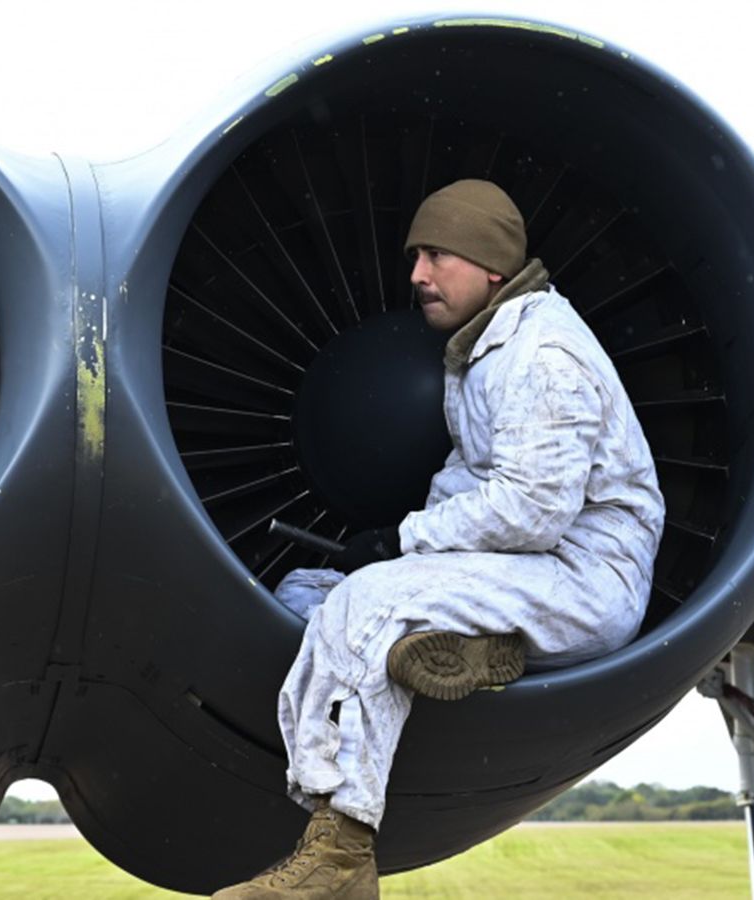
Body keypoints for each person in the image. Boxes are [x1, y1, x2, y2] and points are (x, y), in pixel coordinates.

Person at [214, 180, 666, 899]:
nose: (418, 275)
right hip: (524, 572)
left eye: (437, 255)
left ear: (491, 265)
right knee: (305, 595)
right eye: (414, 256)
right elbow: (469, 485)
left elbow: (530, 509)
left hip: (581, 581)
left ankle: (341, 855)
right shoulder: (482, 349)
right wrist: (413, 551)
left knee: (365, 605)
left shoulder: (545, 356)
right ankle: (482, 652)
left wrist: (399, 544)